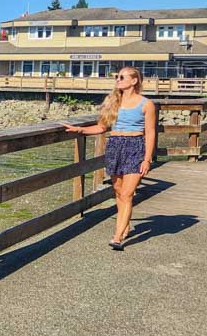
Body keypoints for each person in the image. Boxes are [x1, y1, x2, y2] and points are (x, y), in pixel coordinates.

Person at [63, 66, 156, 250]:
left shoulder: (146, 104)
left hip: (135, 146)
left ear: (134, 80)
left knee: (128, 193)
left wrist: (147, 159)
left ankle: (118, 236)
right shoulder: (113, 102)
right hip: (115, 146)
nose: (118, 80)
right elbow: (101, 128)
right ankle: (125, 224)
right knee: (119, 190)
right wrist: (80, 130)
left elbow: (151, 133)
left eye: (121, 77)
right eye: (117, 77)